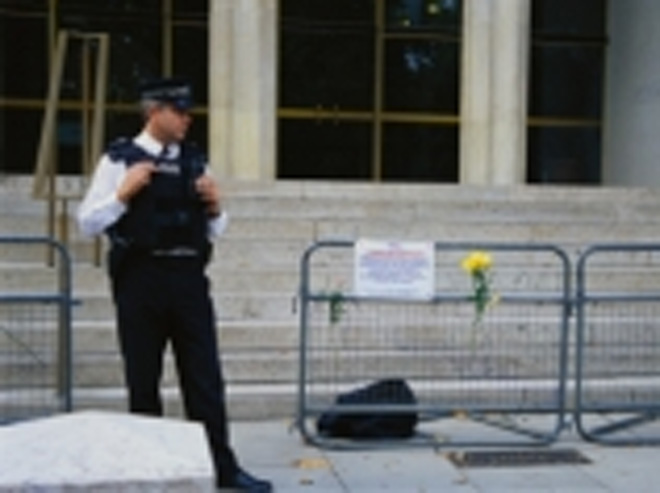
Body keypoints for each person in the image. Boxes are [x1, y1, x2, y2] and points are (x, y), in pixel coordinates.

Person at [77, 77, 273, 492]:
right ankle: (150, 471)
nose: (188, 119)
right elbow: (87, 222)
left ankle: (222, 468)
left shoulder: (195, 160)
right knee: (143, 380)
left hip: (188, 280)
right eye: (180, 111)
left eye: (188, 112)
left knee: (205, 379)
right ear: (154, 112)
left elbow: (216, 230)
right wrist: (122, 195)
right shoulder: (119, 159)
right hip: (141, 280)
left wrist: (216, 207)